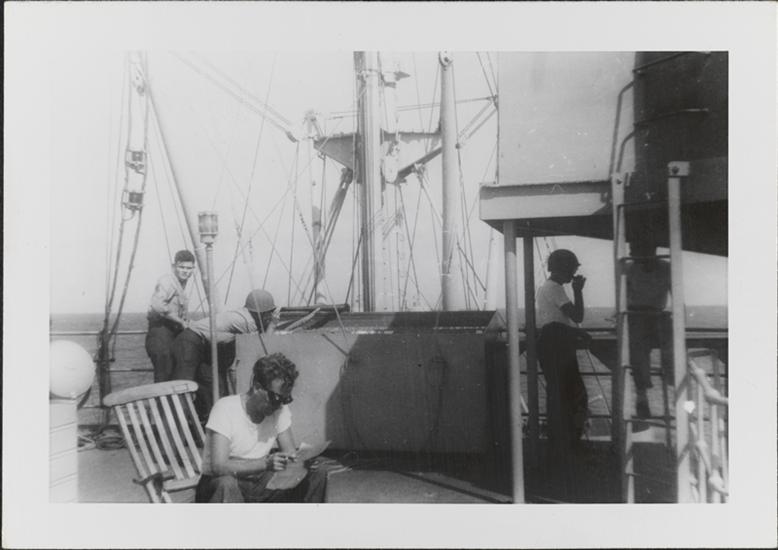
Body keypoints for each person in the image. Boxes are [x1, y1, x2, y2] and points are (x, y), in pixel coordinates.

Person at [195, 353, 327, 503]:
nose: (279, 405)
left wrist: (303, 462)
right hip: (223, 482)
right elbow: (219, 466)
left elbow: (290, 454)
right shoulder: (225, 408)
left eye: (285, 399)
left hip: (259, 481)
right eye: (276, 398)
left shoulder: (279, 410)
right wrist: (265, 464)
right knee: (226, 483)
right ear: (257, 388)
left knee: (317, 473)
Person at [172, 288, 277, 422]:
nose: (270, 316)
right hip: (189, 343)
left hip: (200, 346)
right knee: (181, 387)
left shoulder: (244, 315)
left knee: (211, 388)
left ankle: (204, 424)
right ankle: (175, 425)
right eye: (269, 313)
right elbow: (261, 345)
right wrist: (272, 325)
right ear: (261, 313)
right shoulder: (247, 322)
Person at [536, 249, 591, 450]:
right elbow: (577, 316)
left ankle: (560, 442)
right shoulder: (555, 289)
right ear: (564, 268)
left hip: (552, 345)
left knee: (560, 394)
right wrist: (578, 290)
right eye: (572, 268)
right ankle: (569, 442)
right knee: (575, 395)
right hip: (557, 346)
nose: (574, 272)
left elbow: (554, 323)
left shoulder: (548, 287)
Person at [626, 238, 672, 423]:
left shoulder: (666, 268)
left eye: (634, 250)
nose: (631, 254)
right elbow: (624, 297)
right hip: (635, 315)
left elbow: (676, 295)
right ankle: (642, 397)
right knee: (637, 353)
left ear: (649, 251)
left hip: (658, 315)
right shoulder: (630, 268)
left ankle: (674, 387)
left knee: (671, 351)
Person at [145, 250, 195, 382]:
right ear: (174, 267)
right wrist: (181, 321)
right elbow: (157, 306)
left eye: (189, 268)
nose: (185, 271)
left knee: (176, 370)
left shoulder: (180, 284)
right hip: (160, 333)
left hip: (173, 333)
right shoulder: (167, 281)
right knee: (164, 374)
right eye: (182, 267)